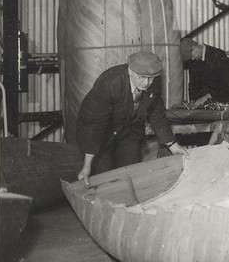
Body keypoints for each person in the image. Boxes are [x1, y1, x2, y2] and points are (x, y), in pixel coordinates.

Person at [74, 50, 188, 185]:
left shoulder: (153, 80)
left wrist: (173, 145)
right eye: (141, 77)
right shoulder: (110, 83)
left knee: (130, 172)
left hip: (129, 129)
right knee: (104, 177)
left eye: (150, 78)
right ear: (130, 71)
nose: (146, 83)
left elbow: (157, 114)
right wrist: (87, 166)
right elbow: (95, 126)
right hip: (101, 132)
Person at [180, 37, 229, 105]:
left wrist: (207, 97)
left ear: (195, 47)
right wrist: (193, 100)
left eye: (192, 56)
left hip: (224, 102)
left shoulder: (219, 55)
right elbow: (193, 83)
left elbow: (225, 83)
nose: (192, 59)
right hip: (206, 105)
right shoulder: (193, 61)